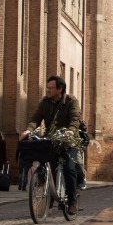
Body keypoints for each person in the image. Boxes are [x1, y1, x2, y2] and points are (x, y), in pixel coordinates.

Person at [19, 75, 82, 214]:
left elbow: (75, 118)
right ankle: (49, 201)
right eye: (47, 88)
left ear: (60, 89)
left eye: (51, 88)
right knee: (49, 168)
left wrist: (71, 130)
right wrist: (28, 130)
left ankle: (72, 202)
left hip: (69, 141)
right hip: (51, 141)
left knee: (69, 168)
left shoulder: (71, 101)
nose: (47, 90)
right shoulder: (45, 102)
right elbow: (36, 119)